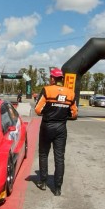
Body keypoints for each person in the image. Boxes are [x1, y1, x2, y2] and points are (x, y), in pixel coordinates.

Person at [34, 68, 77, 196]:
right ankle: (58, 188)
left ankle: (43, 182)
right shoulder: (71, 93)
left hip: (47, 126)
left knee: (43, 154)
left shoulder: (47, 90)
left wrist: (49, 111)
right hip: (61, 127)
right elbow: (74, 114)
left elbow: (37, 109)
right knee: (59, 158)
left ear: (53, 78)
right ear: (62, 79)